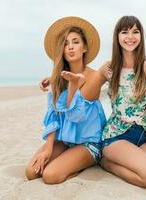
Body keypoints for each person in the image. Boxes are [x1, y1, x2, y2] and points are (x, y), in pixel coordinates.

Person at [39, 16, 146, 189]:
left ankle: (129, 160)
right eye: (124, 32)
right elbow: (88, 84)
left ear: (141, 36)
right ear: (117, 37)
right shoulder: (111, 68)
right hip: (116, 137)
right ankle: (108, 164)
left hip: (145, 137)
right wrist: (54, 79)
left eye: (135, 32)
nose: (130, 36)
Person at [25, 16, 106, 184]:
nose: (70, 47)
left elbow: (75, 116)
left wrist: (74, 86)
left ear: (84, 48)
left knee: (50, 175)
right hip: (65, 141)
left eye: (75, 42)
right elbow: (53, 116)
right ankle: (65, 160)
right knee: (31, 172)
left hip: (88, 143)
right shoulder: (58, 79)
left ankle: (81, 165)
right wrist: (48, 150)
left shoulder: (94, 77)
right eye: (66, 43)